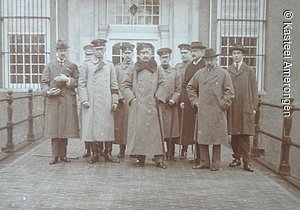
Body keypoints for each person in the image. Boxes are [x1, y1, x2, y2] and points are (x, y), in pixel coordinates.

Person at [121, 43, 167, 169]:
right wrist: (132, 99)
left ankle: (159, 158)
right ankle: (140, 157)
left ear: (152, 54)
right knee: (140, 133)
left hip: (153, 104)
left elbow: (163, 83)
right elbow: (125, 85)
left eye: (148, 52)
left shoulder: (158, 68)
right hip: (139, 106)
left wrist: (158, 96)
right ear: (138, 55)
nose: (145, 55)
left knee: (155, 133)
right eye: (143, 53)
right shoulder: (133, 68)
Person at [187, 48, 234, 171]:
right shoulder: (200, 73)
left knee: (216, 138)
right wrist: (195, 101)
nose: (209, 62)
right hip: (203, 110)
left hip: (217, 110)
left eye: (212, 59)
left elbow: (229, 92)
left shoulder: (223, 73)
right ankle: (204, 162)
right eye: (207, 60)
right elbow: (190, 87)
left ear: (216, 59)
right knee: (202, 137)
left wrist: (223, 104)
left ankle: (215, 163)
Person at [78, 38, 120, 164]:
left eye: (102, 49)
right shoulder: (87, 65)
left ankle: (108, 153)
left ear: (105, 50)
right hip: (92, 102)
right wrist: (84, 99)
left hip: (106, 102)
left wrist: (115, 101)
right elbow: (81, 84)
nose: (99, 52)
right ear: (93, 50)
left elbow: (114, 85)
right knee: (94, 128)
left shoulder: (109, 65)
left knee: (107, 127)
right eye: (97, 49)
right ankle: (95, 153)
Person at [41, 39, 80, 165]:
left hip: (68, 100)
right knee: (54, 130)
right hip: (54, 101)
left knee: (65, 129)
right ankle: (54, 156)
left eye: (64, 50)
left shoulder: (72, 65)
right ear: (56, 51)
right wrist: (48, 92)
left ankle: (63, 155)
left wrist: (67, 79)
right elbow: (44, 83)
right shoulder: (50, 65)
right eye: (60, 50)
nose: (63, 53)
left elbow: (78, 81)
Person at [227, 43, 258, 172]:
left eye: (238, 53)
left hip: (245, 106)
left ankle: (247, 161)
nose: (236, 56)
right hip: (233, 107)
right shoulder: (228, 70)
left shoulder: (249, 70)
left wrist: (254, 107)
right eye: (234, 54)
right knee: (234, 135)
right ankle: (236, 158)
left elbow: (254, 90)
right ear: (232, 56)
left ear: (243, 55)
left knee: (245, 135)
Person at [179, 41, 206, 161]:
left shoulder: (204, 65)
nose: (194, 53)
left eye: (196, 51)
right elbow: (185, 85)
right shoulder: (190, 66)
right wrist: (184, 100)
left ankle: (201, 157)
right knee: (189, 127)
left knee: (200, 128)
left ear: (202, 52)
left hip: (201, 101)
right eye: (193, 51)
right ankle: (192, 155)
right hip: (190, 102)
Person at [157, 47, 181, 161]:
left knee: (171, 131)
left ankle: (171, 153)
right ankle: (159, 153)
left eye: (166, 57)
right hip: (160, 105)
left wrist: (174, 99)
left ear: (170, 58)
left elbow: (179, 89)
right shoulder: (156, 72)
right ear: (159, 59)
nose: (164, 60)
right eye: (162, 58)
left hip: (171, 106)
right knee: (160, 130)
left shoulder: (175, 73)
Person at [114, 42, 135, 158]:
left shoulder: (136, 68)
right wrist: (120, 96)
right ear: (122, 55)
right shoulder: (117, 68)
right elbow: (114, 83)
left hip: (132, 101)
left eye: (129, 53)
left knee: (132, 126)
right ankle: (122, 149)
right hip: (121, 102)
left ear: (133, 54)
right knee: (121, 126)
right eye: (125, 53)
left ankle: (133, 150)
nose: (127, 55)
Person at [174, 43, 192, 160]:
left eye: (185, 53)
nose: (183, 55)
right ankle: (175, 149)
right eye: (181, 53)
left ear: (190, 53)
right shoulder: (177, 67)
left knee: (187, 125)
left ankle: (185, 150)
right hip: (178, 97)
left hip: (189, 98)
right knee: (178, 124)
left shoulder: (193, 66)